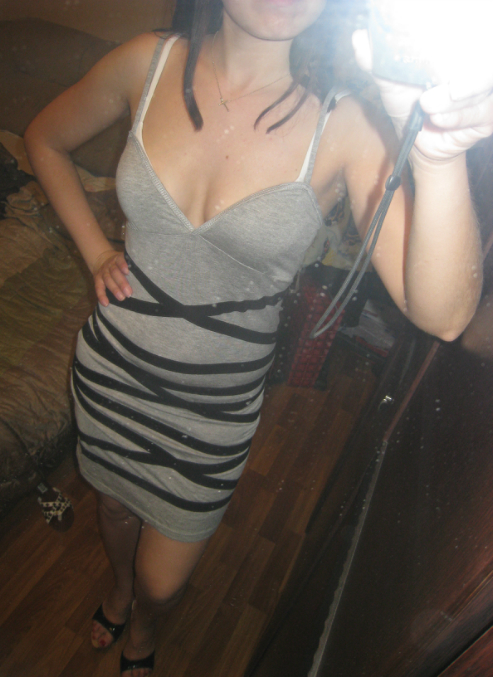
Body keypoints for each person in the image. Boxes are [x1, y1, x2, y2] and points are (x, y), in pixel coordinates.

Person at [24, 1, 492, 674]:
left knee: (165, 580)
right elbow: (44, 139)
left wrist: (439, 156)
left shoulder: (349, 124)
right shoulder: (145, 62)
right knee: (116, 511)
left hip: (211, 411)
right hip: (111, 372)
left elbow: (443, 313)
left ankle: (145, 624)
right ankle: (120, 592)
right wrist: (96, 249)